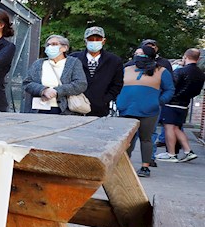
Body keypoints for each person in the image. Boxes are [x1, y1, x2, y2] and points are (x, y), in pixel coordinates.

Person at [116, 43, 174, 178]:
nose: (138, 57)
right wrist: (119, 100)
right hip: (126, 109)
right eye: (136, 54)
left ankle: (145, 166)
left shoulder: (161, 71)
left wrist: (159, 101)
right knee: (126, 140)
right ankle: (125, 165)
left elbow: (170, 89)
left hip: (149, 111)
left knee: (146, 139)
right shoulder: (127, 69)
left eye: (141, 54)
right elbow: (118, 85)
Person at [156, 48, 204, 163]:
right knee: (177, 128)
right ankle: (188, 151)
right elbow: (197, 91)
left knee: (168, 127)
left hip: (172, 103)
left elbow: (171, 86)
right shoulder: (200, 74)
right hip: (185, 104)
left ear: (185, 57)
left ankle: (171, 153)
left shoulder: (180, 71)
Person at [21, 34, 87, 115]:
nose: (50, 47)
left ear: (64, 48)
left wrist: (57, 91)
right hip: (39, 109)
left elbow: (80, 84)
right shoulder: (38, 63)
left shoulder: (73, 63)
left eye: (54, 44)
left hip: (64, 111)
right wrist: (43, 90)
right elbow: (27, 83)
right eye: (48, 45)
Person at [69, 26, 124, 117]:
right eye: (91, 39)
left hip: (100, 109)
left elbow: (117, 84)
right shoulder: (74, 58)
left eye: (98, 39)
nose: (94, 41)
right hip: (75, 107)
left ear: (103, 41)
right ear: (85, 41)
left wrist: (105, 99)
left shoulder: (114, 61)